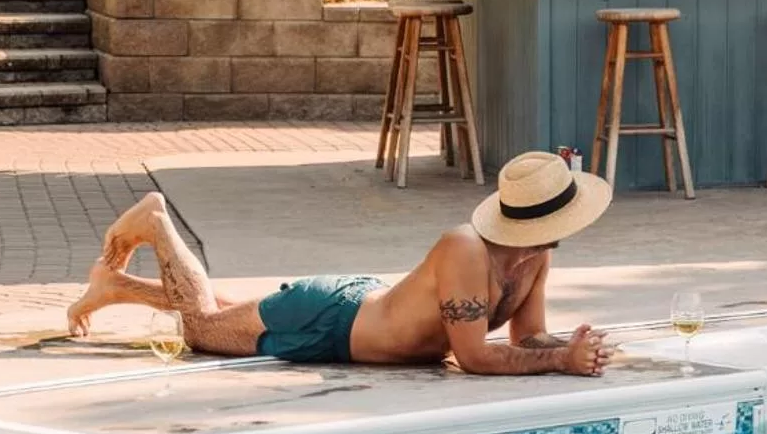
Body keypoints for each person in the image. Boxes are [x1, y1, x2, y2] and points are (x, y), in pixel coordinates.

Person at [65, 150, 615, 376]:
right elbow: (472, 356)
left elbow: (531, 333)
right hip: (330, 322)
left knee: (228, 311)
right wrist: (560, 362)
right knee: (199, 327)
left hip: (358, 309)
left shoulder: (535, 255)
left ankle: (117, 288)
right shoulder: (466, 248)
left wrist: (573, 346)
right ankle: (159, 224)